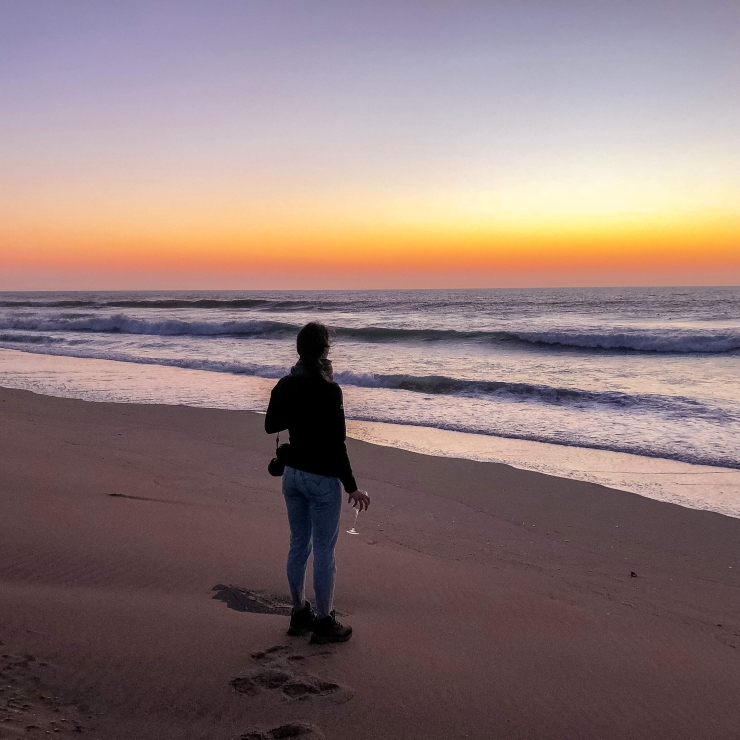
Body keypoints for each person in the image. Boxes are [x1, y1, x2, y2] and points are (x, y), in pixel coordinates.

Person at [265, 322, 370, 644]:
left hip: (293, 475)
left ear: (299, 350)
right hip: (322, 480)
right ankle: (324, 621)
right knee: (324, 551)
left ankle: (299, 612)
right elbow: (338, 444)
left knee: (299, 544)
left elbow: (271, 425)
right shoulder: (329, 391)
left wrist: (296, 413)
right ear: (326, 351)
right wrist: (351, 486)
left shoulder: (286, 383)